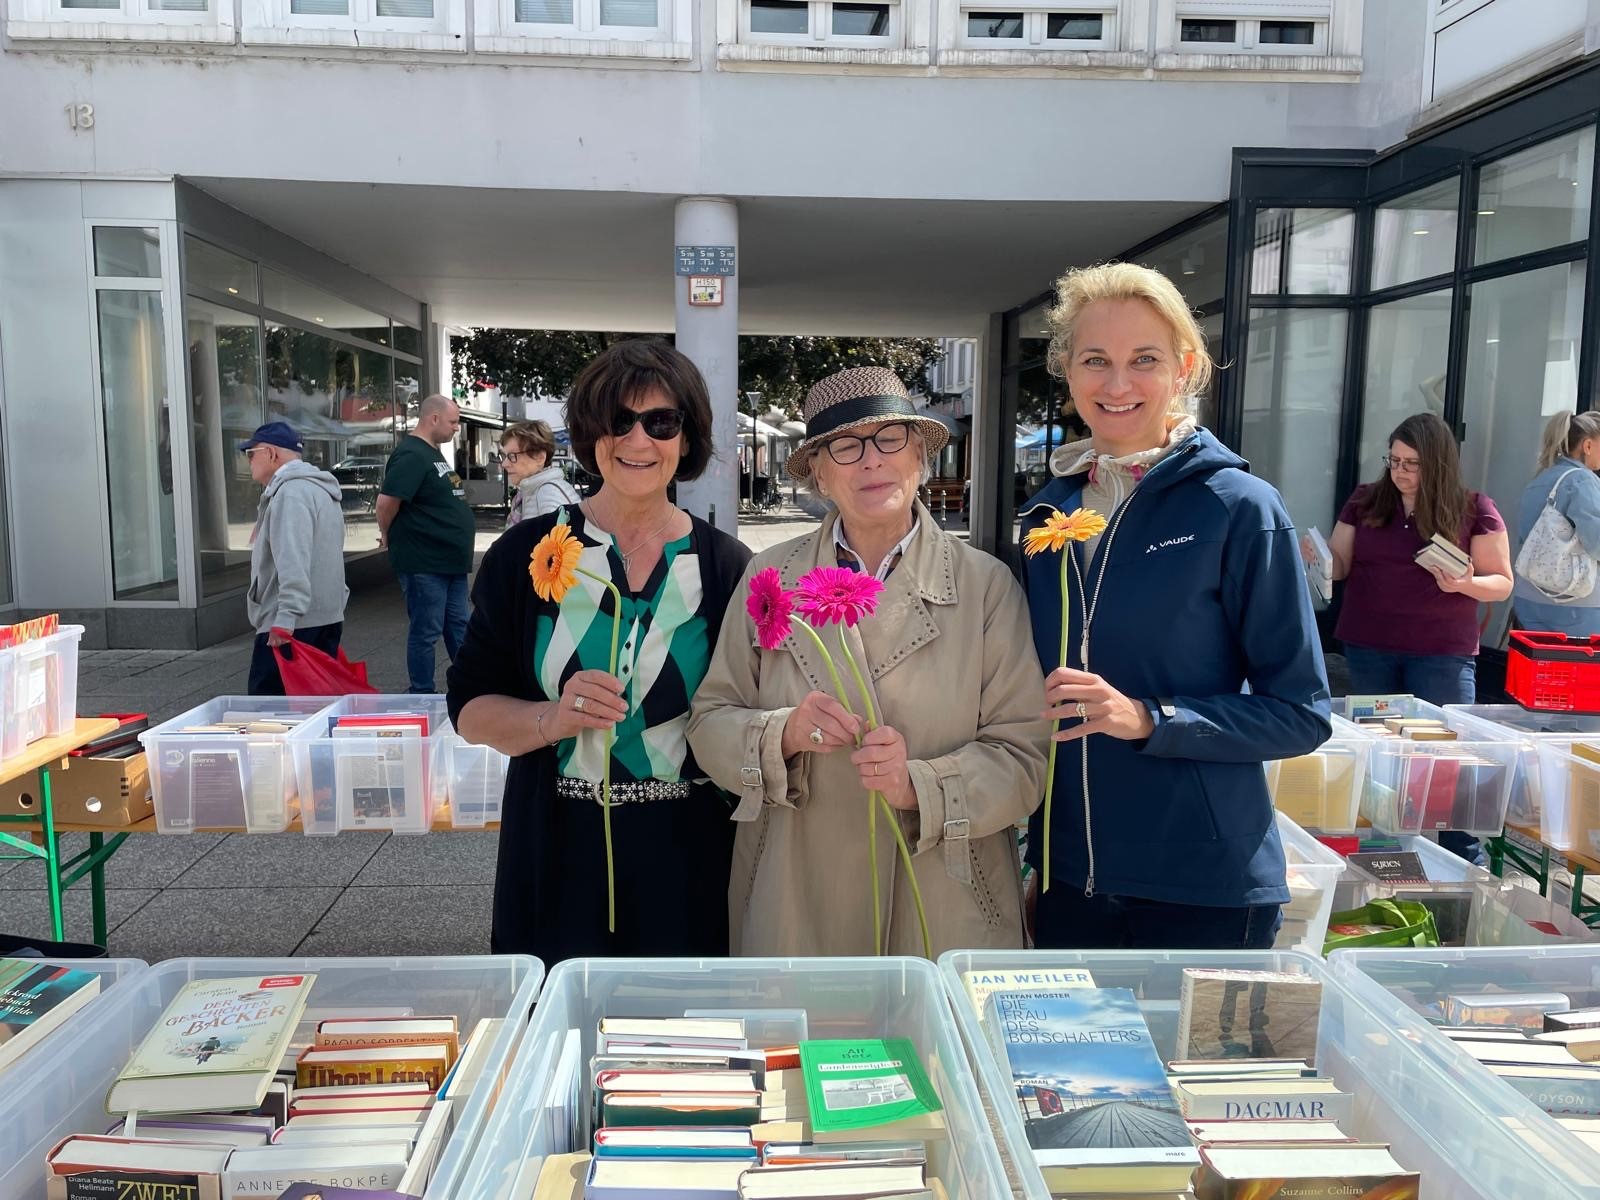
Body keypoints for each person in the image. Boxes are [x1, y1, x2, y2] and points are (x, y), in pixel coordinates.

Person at [1021, 262, 1331, 952]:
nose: (1118, 383)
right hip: (1072, 882)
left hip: (1205, 887)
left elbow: (1301, 714)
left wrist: (1149, 719)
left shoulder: (1240, 508)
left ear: (1185, 367)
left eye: (1145, 360)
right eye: (1095, 360)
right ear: (1067, 371)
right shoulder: (1047, 513)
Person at [687, 366, 1047, 957]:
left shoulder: (986, 586)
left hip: (941, 904)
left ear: (919, 458)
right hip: (794, 903)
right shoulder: (769, 576)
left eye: (889, 439)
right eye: (845, 447)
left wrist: (922, 785)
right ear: (820, 475)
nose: (870, 461)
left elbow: (1024, 757)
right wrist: (781, 733)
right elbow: (709, 721)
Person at [446, 340, 751, 963]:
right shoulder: (527, 555)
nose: (638, 440)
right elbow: (471, 709)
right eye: (618, 421)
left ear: (686, 439)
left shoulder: (727, 568)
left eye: (660, 422)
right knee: (563, 1043)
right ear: (590, 435)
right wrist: (551, 718)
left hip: (691, 859)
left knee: (687, 1048)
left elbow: (750, 712)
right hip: (555, 855)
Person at [1312, 411, 1512, 864]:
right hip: (1370, 645)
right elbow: (1339, 566)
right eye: (1394, 460)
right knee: (1381, 756)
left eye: (1411, 464)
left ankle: (1462, 860)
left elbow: (1501, 582)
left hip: (1442, 651)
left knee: (1447, 760)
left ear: (1437, 464)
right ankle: (1387, 855)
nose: (1399, 472)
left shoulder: (1474, 508)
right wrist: (1320, 559)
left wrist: (1464, 584)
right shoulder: (1366, 501)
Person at [239, 421, 348, 696]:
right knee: (313, 708)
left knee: (270, 713)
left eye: (251, 453)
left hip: (292, 624)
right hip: (323, 617)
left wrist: (285, 619)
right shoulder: (320, 490)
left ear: (272, 454)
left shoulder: (290, 493)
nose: (249, 460)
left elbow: (293, 559)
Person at [377, 394, 476, 694]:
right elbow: (386, 503)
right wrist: (387, 534)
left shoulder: (432, 452)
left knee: (458, 626)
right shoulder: (411, 454)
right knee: (427, 630)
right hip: (425, 562)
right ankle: (421, 692)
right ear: (433, 419)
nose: (456, 428)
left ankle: (470, 686)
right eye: (453, 422)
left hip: (450, 562)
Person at [1513, 411, 1600, 637]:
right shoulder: (1583, 480)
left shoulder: (1540, 479)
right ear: (1587, 445)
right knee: (1582, 671)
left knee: (1543, 670)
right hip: (1576, 605)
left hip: (1529, 600)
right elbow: (1597, 543)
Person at [502, 419, 579, 528]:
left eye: (512, 456)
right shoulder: (528, 493)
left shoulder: (548, 492)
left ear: (540, 457)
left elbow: (561, 542)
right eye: (504, 456)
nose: (504, 464)